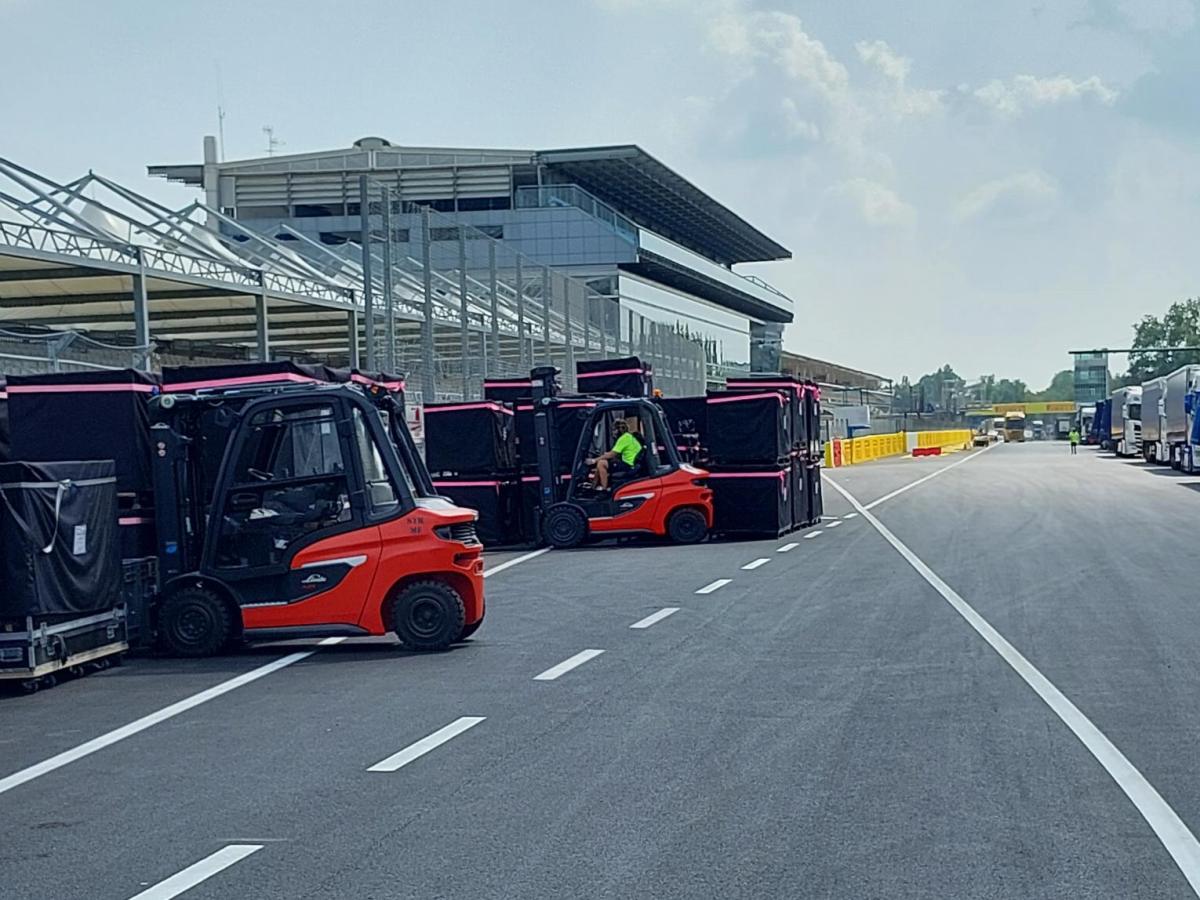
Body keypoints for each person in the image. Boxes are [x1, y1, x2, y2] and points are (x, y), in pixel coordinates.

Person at [588, 419, 642, 490]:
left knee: (601, 463)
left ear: (618, 430)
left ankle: (604, 489)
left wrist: (594, 460)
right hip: (632, 463)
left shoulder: (624, 438)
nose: (613, 432)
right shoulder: (629, 436)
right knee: (601, 462)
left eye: (614, 430)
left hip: (628, 465)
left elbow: (612, 454)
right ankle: (593, 487)